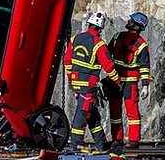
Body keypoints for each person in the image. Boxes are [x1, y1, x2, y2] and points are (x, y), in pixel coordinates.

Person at [64, 11, 121, 151]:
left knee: (92, 115)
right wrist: (118, 81)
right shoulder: (99, 44)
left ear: (88, 24)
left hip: (76, 84)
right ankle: (75, 144)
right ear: (100, 29)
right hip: (89, 85)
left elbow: (67, 61)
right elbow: (108, 66)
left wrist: (71, 78)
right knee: (82, 113)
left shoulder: (75, 39)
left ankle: (102, 145)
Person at [106, 12, 151, 149]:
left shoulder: (141, 44)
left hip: (128, 81)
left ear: (137, 26)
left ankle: (133, 140)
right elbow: (106, 55)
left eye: (131, 21)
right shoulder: (117, 36)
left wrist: (145, 85)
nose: (128, 21)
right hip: (116, 80)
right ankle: (117, 138)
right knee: (115, 112)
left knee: (131, 112)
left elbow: (144, 66)